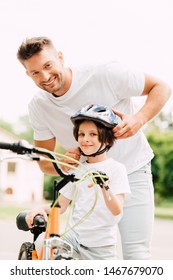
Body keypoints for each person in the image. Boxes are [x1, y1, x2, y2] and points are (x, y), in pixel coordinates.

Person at [17, 36, 171, 259]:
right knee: (61, 248)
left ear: (60, 57)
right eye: (35, 73)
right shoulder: (39, 106)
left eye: (48, 65)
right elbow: (45, 163)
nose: (45, 77)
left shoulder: (104, 73)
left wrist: (138, 119)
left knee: (136, 255)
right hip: (86, 178)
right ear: (28, 74)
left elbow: (162, 87)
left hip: (132, 169)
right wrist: (63, 163)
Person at [25, 105, 131, 260]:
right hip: (73, 239)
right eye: (81, 134)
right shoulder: (77, 169)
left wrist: (104, 186)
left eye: (93, 134)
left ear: (107, 139)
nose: (85, 139)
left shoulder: (116, 169)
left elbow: (116, 210)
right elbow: (60, 206)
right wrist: (39, 209)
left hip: (101, 246)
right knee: (42, 245)